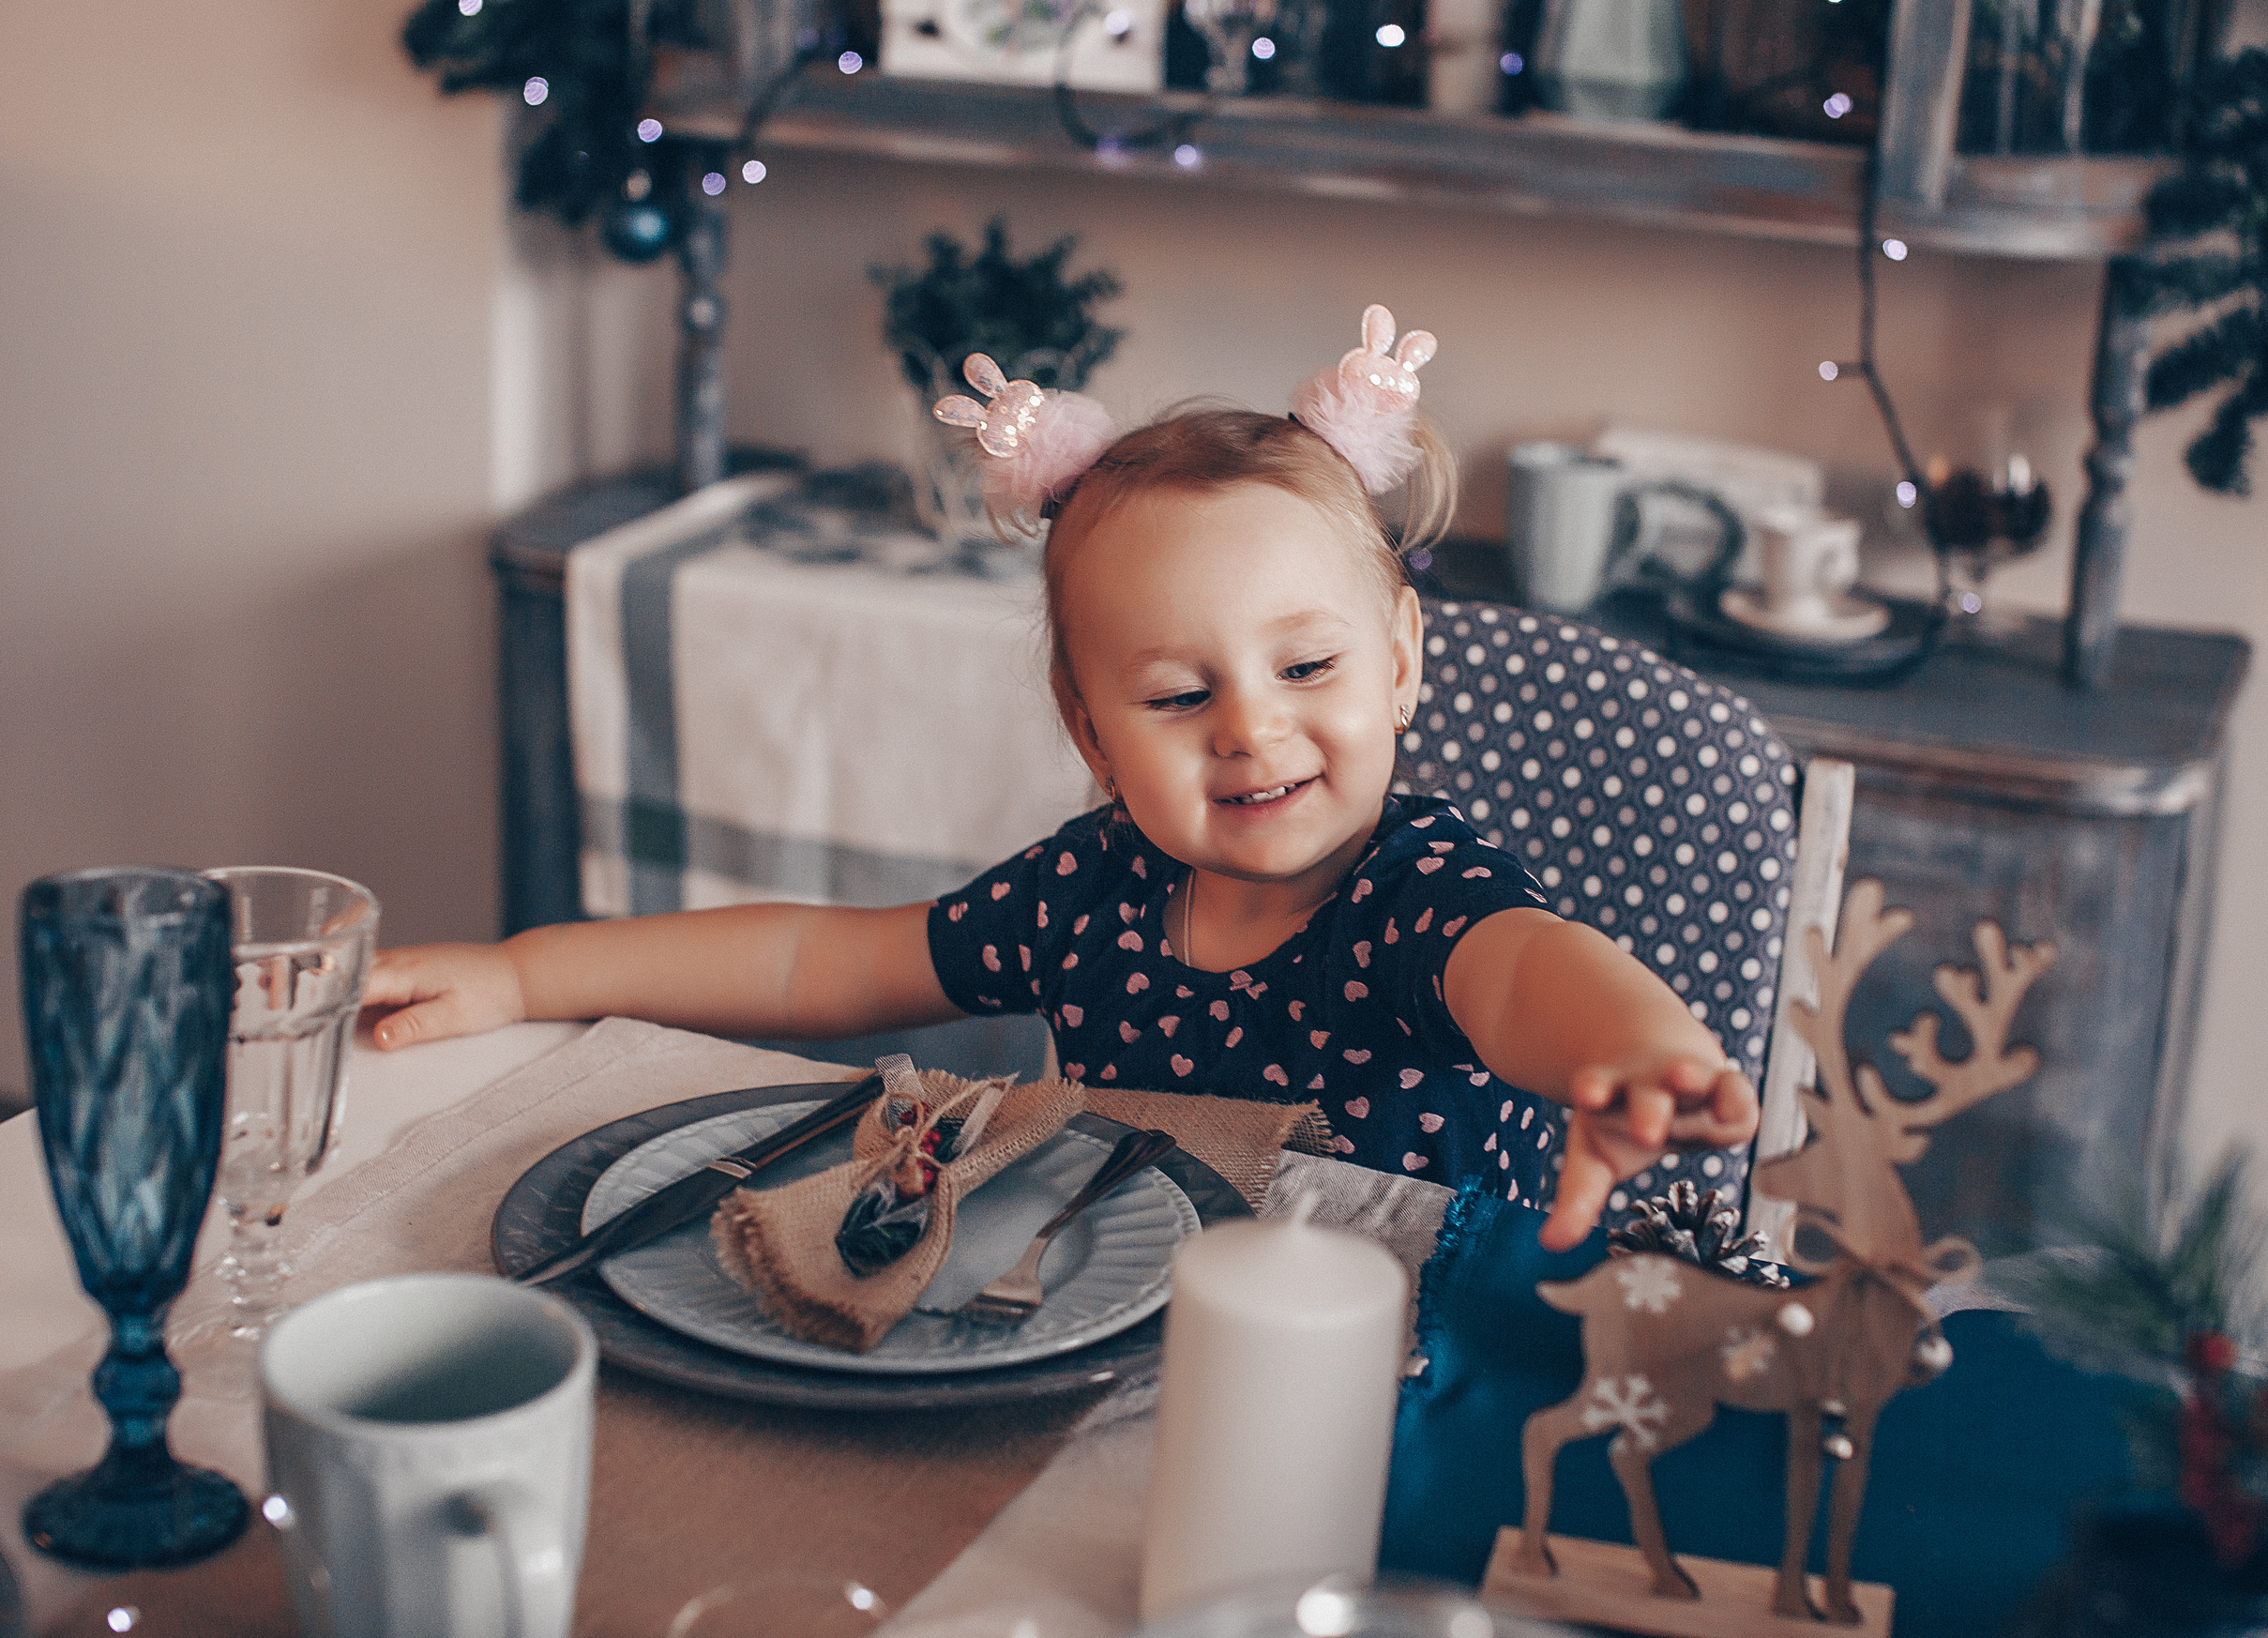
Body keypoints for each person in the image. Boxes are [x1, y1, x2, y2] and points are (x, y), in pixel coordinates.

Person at [363, 306, 1757, 1251]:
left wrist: (1632, 1053)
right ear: (1091, 729)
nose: (1250, 731)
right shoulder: (1092, 893)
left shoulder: (1418, 897)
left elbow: (1530, 975)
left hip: (1407, 1382)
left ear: (1398, 660)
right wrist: (528, 972)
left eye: (1307, 668)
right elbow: (816, 963)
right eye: (1176, 693)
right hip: (1122, 1346)